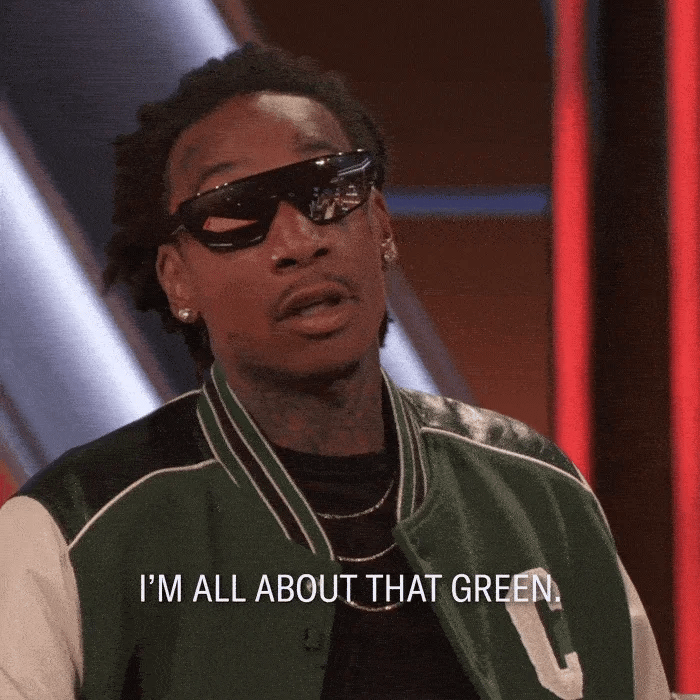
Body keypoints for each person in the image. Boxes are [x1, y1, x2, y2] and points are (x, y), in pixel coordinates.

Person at [0, 43, 670, 700]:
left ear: (380, 226)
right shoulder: (67, 532)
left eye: (328, 189)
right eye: (237, 210)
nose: (300, 242)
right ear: (178, 280)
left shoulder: (538, 494)